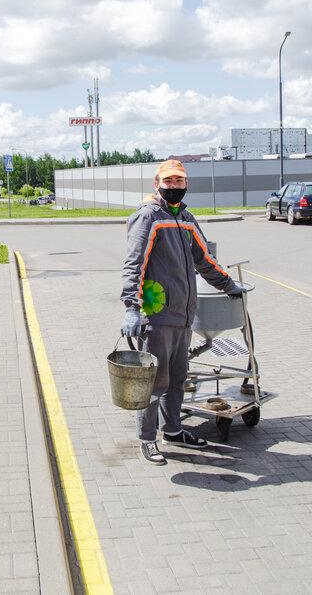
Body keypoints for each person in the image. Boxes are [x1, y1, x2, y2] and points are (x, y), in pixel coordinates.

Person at [120, 159, 242, 465]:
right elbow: (135, 263)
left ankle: (172, 430)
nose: (174, 186)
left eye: (179, 181)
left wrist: (228, 285)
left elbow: (204, 258)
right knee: (153, 381)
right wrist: (132, 307)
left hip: (184, 314)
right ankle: (148, 439)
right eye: (169, 181)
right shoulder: (148, 216)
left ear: (185, 184)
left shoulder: (185, 218)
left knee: (176, 378)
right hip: (157, 312)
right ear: (157, 184)